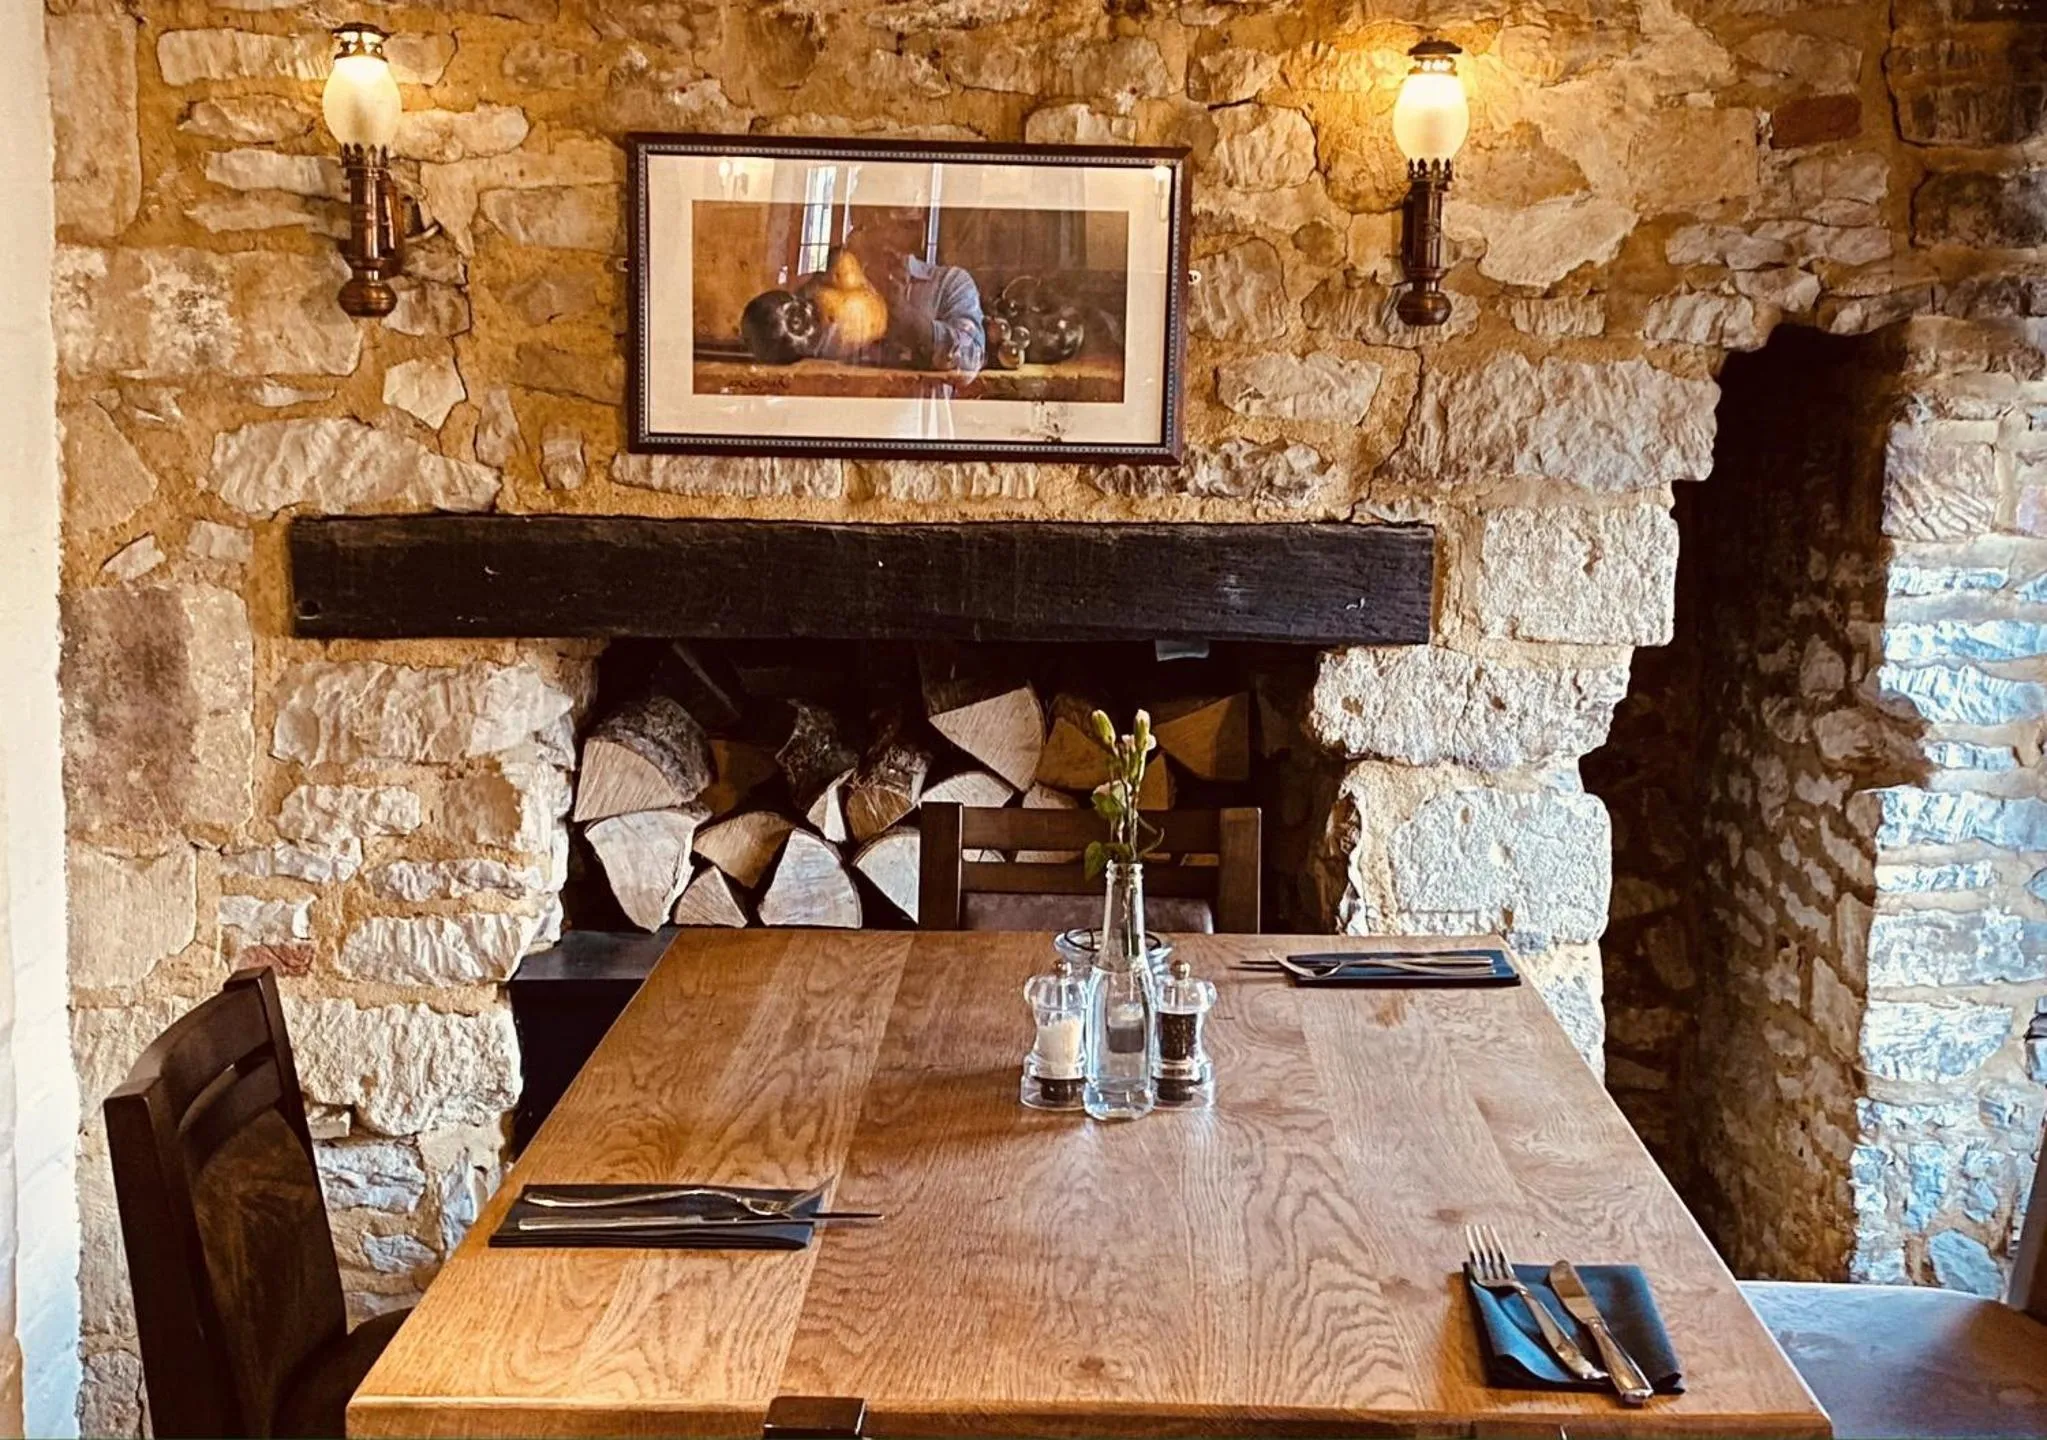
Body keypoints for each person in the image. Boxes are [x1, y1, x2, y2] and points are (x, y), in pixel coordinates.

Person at [844, 208, 985, 377]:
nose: (889, 237)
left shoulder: (950, 283)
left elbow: (972, 357)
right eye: (877, 225)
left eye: (902, 227)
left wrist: (910, 322)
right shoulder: (841, 290)